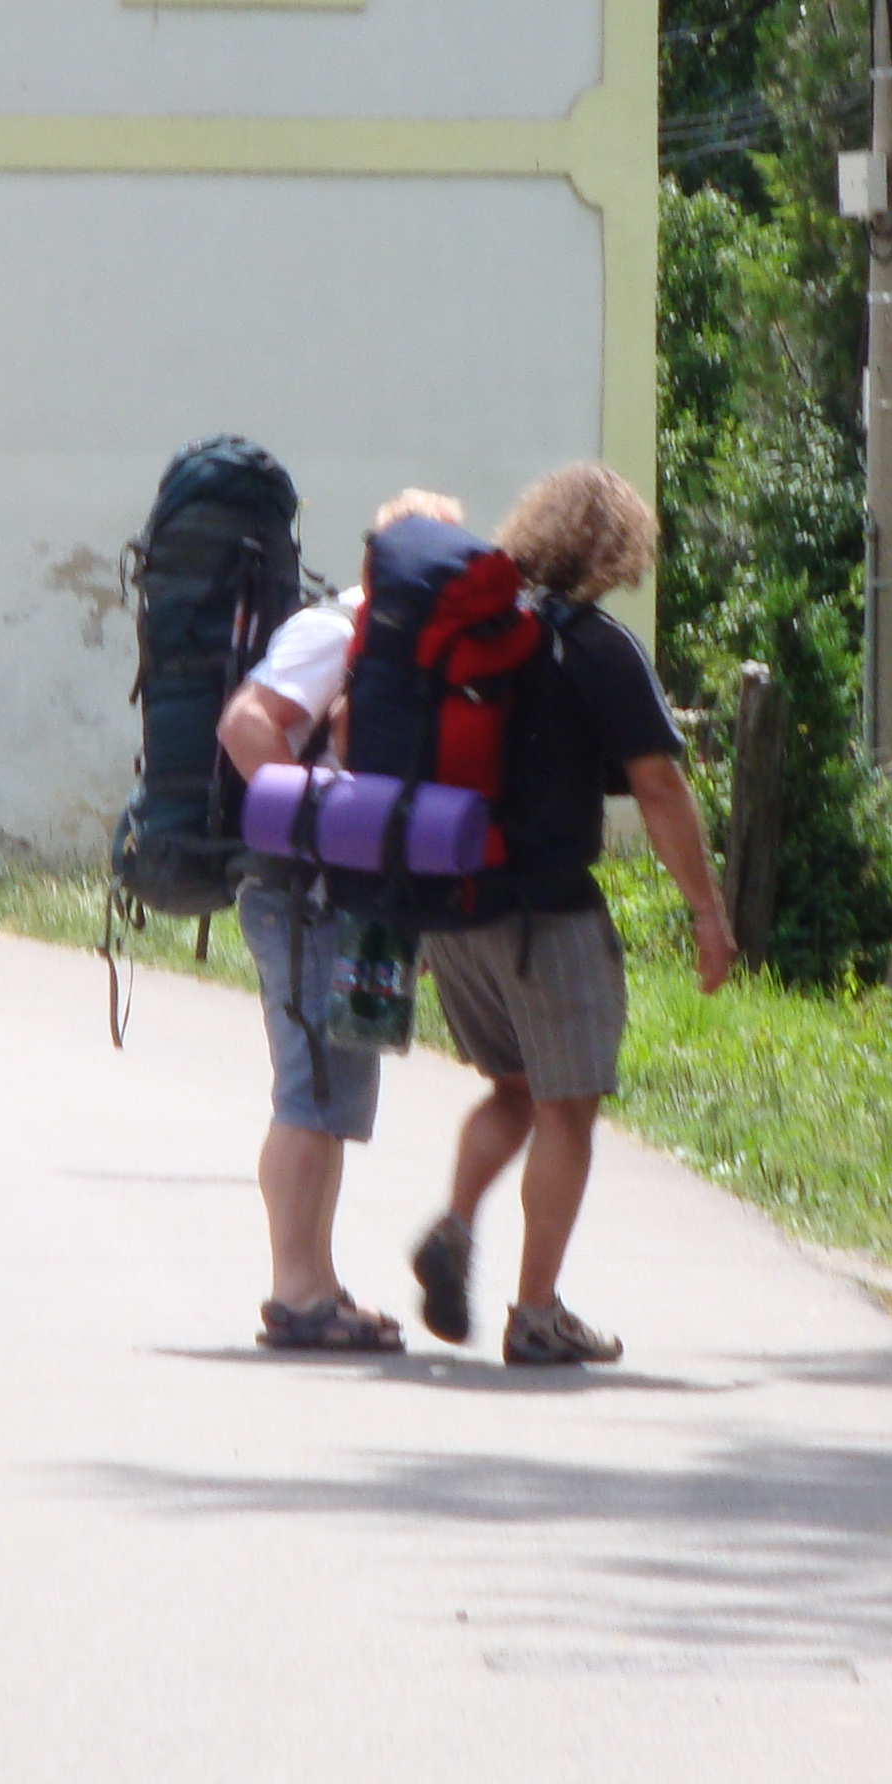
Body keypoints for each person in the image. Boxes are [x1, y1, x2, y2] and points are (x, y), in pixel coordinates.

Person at [410, 465, 736, 1367]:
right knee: (566, 1111)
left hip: (456, 905)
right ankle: (537, 1314)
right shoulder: (594, 646)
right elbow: (659, 786)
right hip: (546, 914)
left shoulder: (470, 632)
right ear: (616, 548)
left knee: (514, 1090)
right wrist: (706, 913)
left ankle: (455, 1225)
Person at [211, 488, 465, 1355]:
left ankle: (316, 1285)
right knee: (310, 1091)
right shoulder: (336, 631)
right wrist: (322, 837)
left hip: (350, 899)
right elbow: (247, 726)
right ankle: (297, 1292)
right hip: (304, 895)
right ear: (378, 561)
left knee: (336, 1096)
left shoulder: (396, 641)